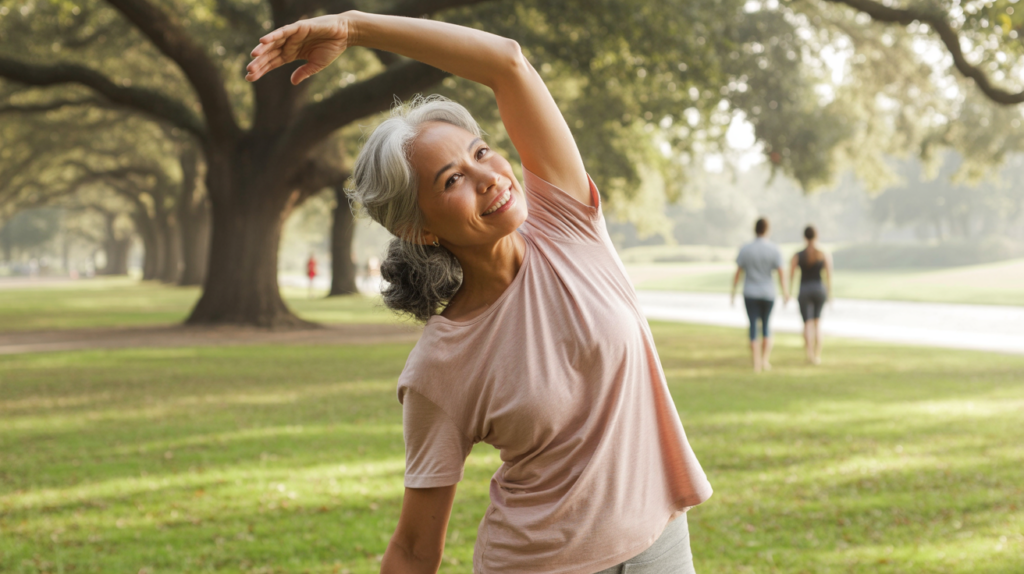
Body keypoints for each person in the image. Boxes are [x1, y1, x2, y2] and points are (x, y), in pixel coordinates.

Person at [248, 11, 712, 574]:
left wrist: (355, 26)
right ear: (421, 229)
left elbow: (507, 62)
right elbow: (417, 547)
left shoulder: (569, 228)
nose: (487, 176)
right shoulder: (439, 367)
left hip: (662, 543)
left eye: (481, 151)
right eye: (451, 180)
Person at [731, 217, 787, 373]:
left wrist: (733, 292)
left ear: (754, 229)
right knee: (766, 326)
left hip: (750, 293)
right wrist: (786, 292)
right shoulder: (774, 249)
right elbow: (781, 273)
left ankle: (756, 362)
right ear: (767, 230)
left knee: (753, 327)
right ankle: (764, 361)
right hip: (768, 293)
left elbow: (738, 272)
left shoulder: (746, 249)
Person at [788, 225, 833, 364]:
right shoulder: (823, 253)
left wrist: (789, 291)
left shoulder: (798, 254)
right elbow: (829, 276)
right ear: (816, 236)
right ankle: (817, 355)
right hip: (819, 289)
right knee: (817, 324)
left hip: (804, 290)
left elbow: (791, 275)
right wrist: (830, 295)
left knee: (807, 324)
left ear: (804, 237)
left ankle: (809, 355)